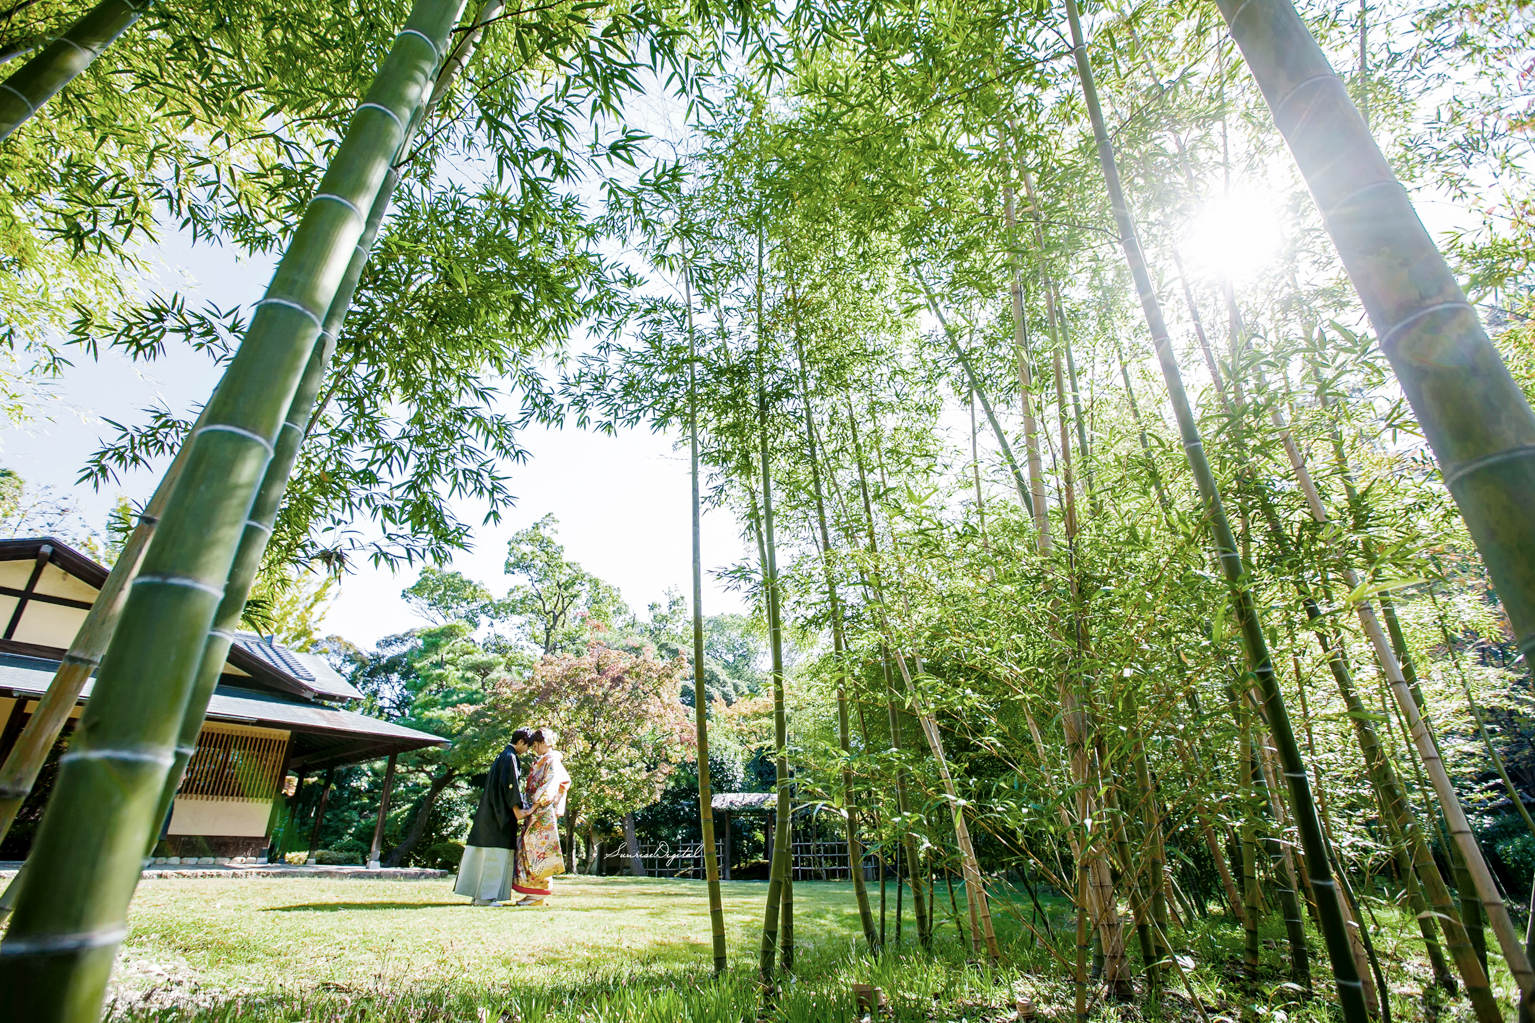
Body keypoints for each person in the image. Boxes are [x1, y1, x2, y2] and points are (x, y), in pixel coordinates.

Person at [454, 727, 532, 905]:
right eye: (527, 746)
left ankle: (479, 895)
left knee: (486, 855)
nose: (526, 750)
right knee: (494, 856)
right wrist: (518, 810)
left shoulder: (502, 756)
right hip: (499, 817)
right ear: (520, 742)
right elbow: (509, 786)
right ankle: (486, 897)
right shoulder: (510, 757)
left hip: (488, 813)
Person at [510, 727, 570, 907]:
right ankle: (532, 893)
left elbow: (550, 786)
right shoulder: (545, 760)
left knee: (538, 852)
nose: (533, 749)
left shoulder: (552, 760)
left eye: (536, 745)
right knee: (529, 850)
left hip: (541, 811)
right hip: (535, 811)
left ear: (544, 743)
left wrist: (534, 806)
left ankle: (538, 894)